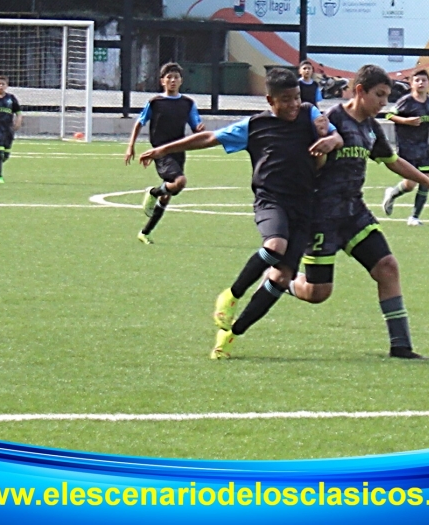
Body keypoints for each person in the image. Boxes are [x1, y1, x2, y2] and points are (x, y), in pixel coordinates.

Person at [139, 68, 342, 359]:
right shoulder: (254, 126)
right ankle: (231, 295)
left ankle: (231, 335)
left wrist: (329, 140)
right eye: (286, 100)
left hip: (304, 206)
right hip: (271, 200)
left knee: (281, 278)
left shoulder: (309, 114)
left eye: (296, 97)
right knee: (275, 245)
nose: (294, 104)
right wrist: (163, 150)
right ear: (270, 100)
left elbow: (337, 138)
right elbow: (209, 138)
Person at [288, 65, 429, 359]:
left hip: (354, 213)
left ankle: (401, 346)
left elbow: (393, 161)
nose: (383, 103)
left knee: (387, 267)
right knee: (317, 293)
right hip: (322, 216)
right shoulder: (330, 121)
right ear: (360, 91)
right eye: (379, 95)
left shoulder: (371, 128)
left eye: (387, 96)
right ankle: (279, 278)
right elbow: (304, 163)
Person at [125, 62, 205, 245]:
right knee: (180, 181)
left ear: (181, 81)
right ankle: (153, 192)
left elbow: (196, 126)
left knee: (168, 194)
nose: (172, 80)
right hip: (160, 151)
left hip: (178, 150)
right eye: (169, 77)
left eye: (176, 77)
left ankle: (145, 232)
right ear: (162, 81)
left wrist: (199, 130)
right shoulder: (155, 103)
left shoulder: (188, 103)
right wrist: (131, 146)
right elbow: (139, 122)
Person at [382, 69, 429, 225]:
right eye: (417, 80)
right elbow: (389, 115)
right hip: (407, 147)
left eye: (424, 80)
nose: (421, 83)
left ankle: (414, 217)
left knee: (426, 180)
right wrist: (406, 121)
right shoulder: (406, 101)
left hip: (423, 147)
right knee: (410, 185)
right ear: (411, 83)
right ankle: (392, 193)